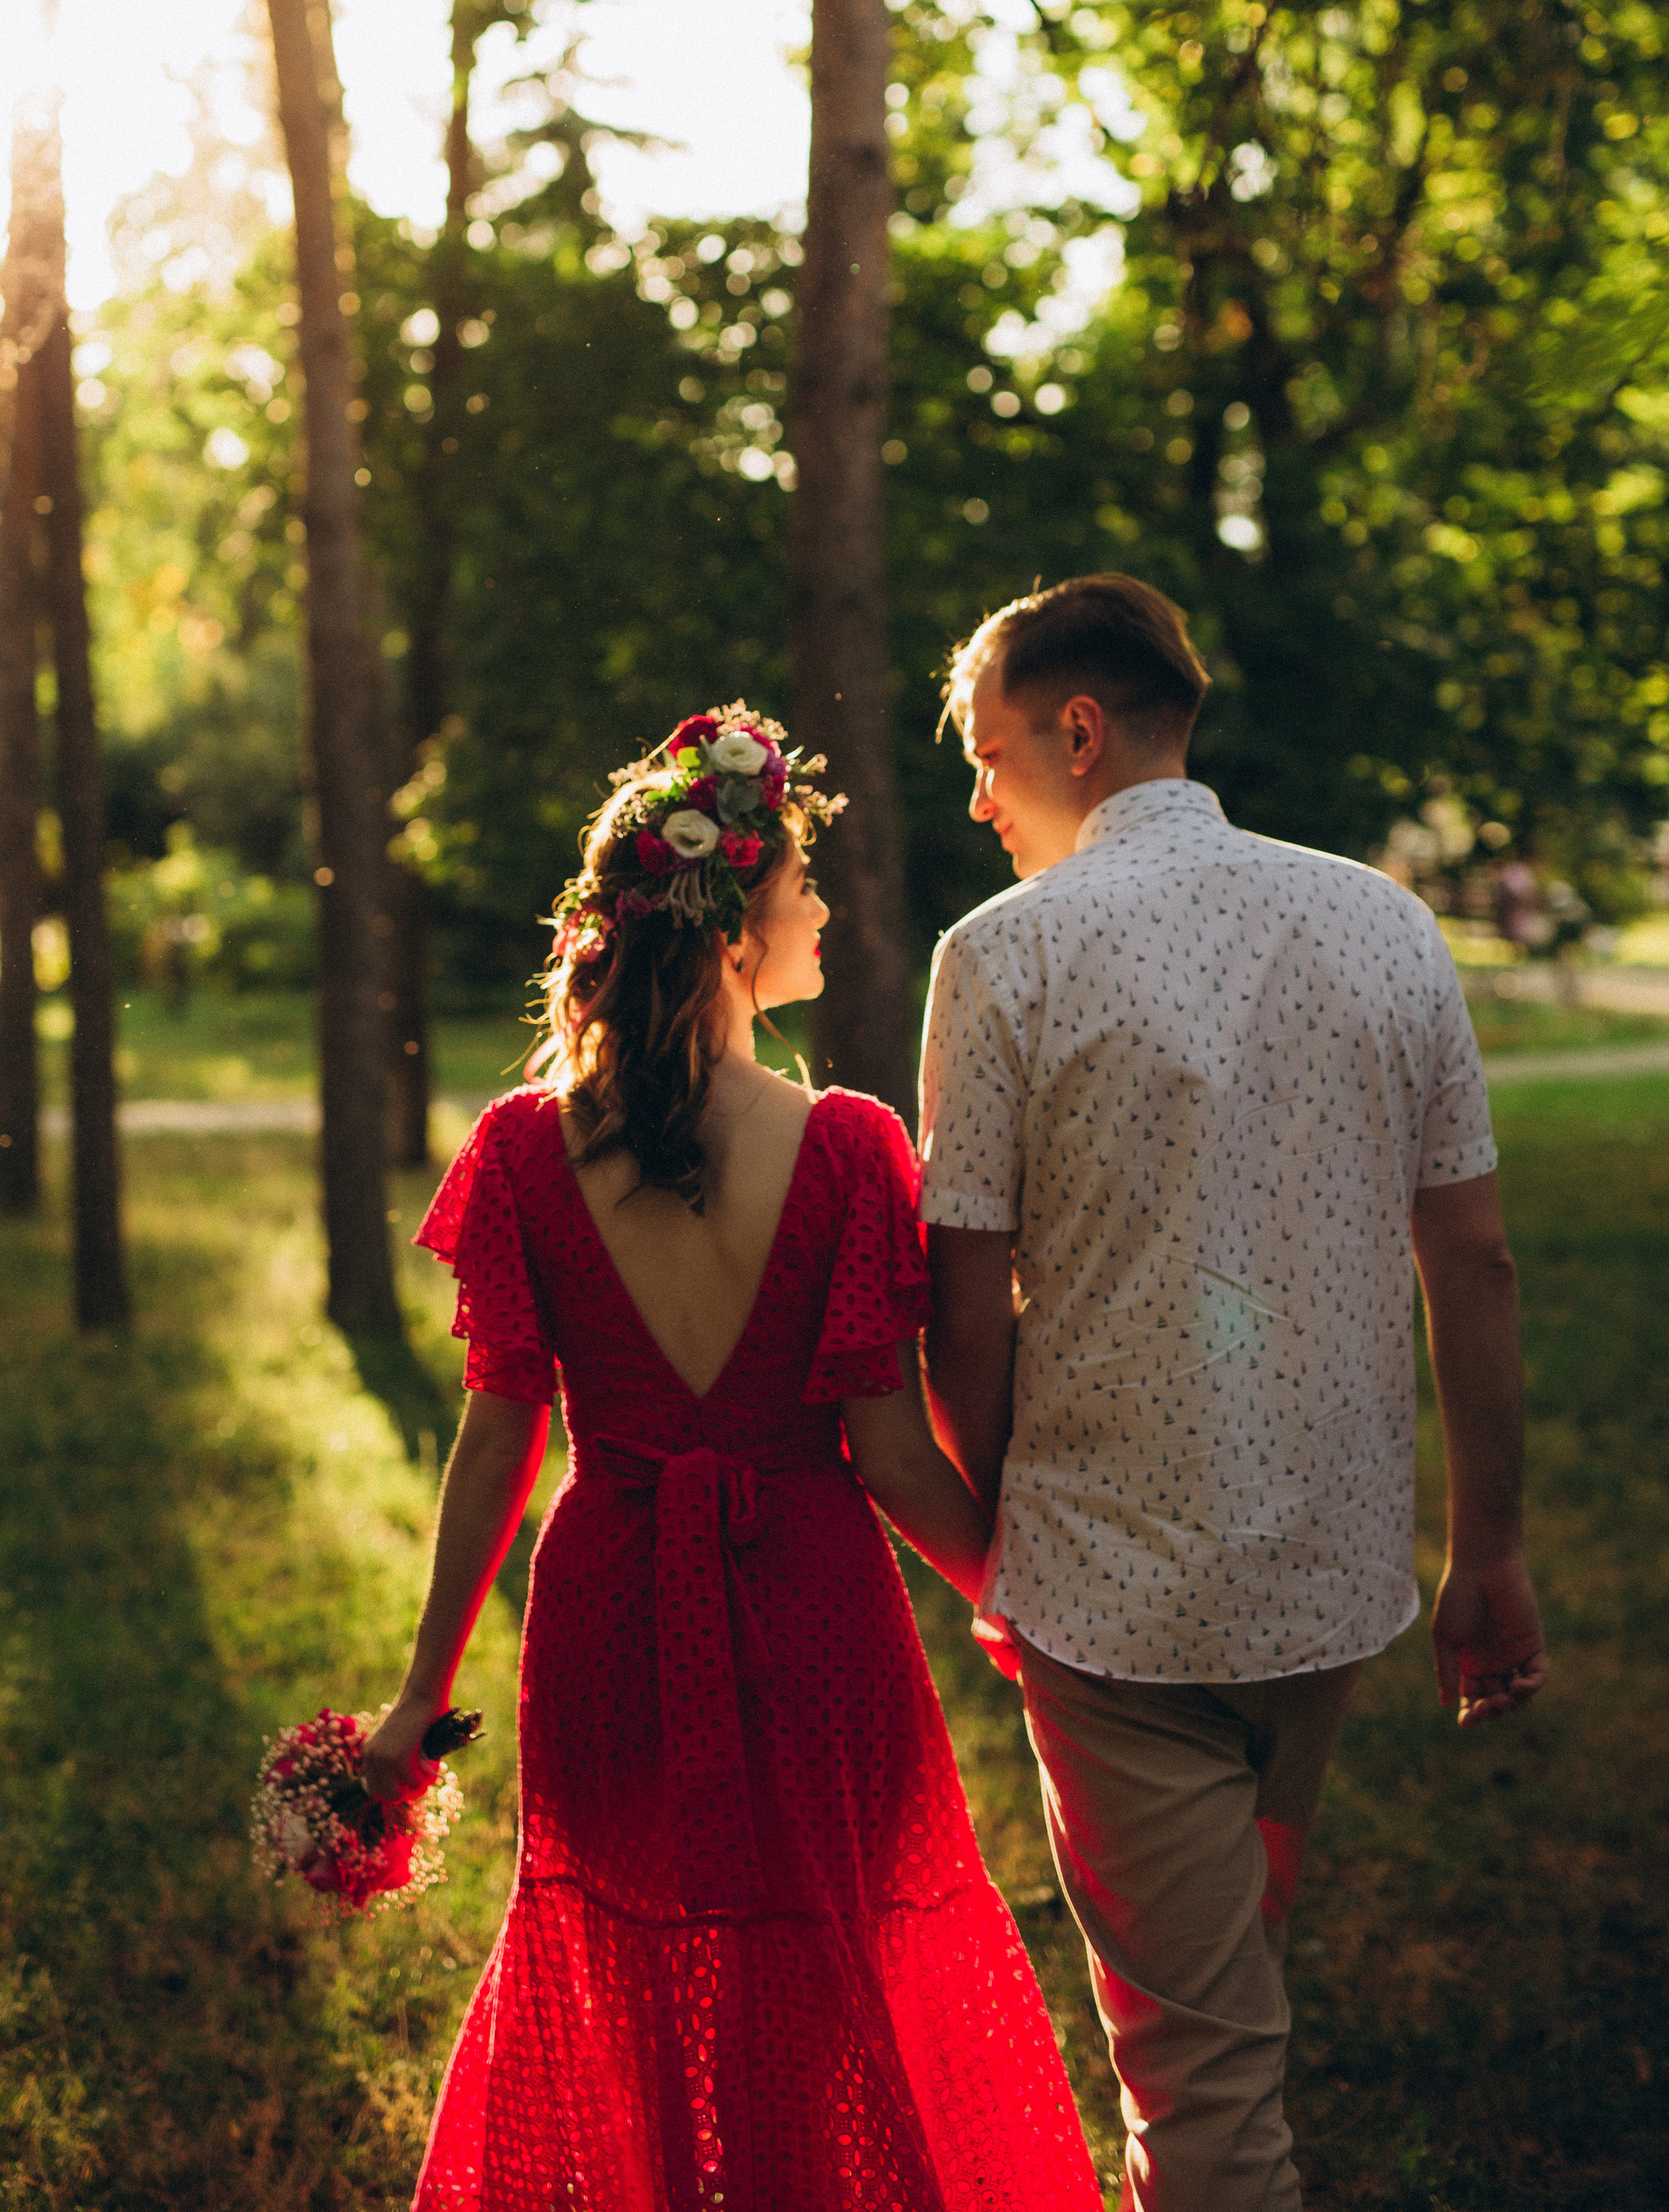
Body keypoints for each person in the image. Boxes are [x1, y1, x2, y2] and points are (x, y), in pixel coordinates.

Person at [363, 706, 1101, 2212]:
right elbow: (890, 1453)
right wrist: (1024, 1599)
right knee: (837, 1958)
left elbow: (499, 1439)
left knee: (626, 1970)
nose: (823, 912)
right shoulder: (848, 1147)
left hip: (605, 1609)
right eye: (802, 890)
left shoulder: (523, 1152)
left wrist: (419, 1692)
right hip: (816, 1608)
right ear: (729, 937)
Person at [918, 575, 1547, 2212]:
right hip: (1333, 1586)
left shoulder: (1001, 956)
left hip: (1112, 1607)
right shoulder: (1385, 924)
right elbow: (1474, 1260)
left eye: (986, 756)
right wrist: (1486, 1550)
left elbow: (962, 1310)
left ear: (1077, 730)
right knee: (1227, 1984)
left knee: (1202, 2082)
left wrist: (1001, 1544)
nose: (976, 801)